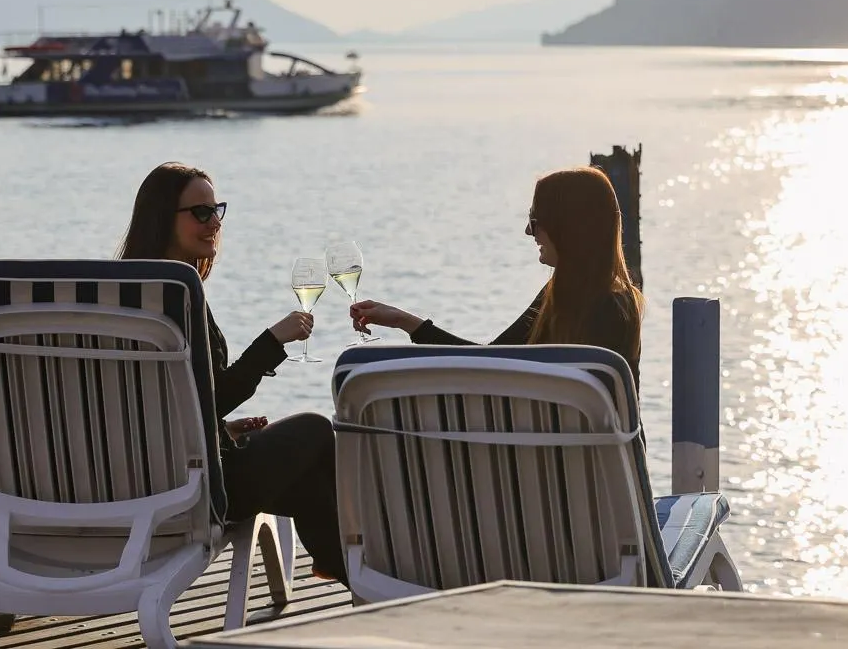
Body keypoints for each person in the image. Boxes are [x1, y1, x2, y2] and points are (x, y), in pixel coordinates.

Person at [118, 161, 347, 583]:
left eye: (217, 210)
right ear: (161, 220)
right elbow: (213, 394)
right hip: (190, 493)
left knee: (308, 476)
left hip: (133, 482)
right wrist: (272, 342)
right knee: (316, 431)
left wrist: (220, 430)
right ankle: (355, 570)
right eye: (200, 213)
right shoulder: (173, 299)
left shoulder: (123, 300)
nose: (213, 224)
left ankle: (342, 566)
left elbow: (159, 403)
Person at [350, 166, 644, 386]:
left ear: (568, 226)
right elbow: (492, 360)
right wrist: (406, 322)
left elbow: (488, 365)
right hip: (606, 466)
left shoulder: (590, 303)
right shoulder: (608, 300)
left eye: (535, 220)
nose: (528, 231)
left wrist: (410, 325)